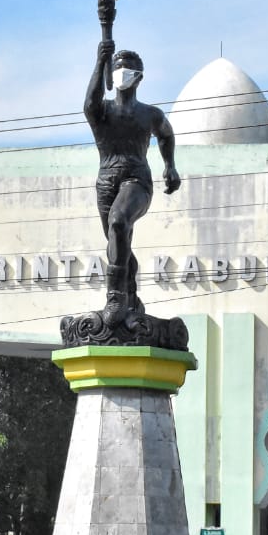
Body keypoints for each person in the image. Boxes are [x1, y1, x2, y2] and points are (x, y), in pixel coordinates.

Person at [84, 38, 180, 325]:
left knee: (118, 222)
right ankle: (131, 295)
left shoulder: (150, 114)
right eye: (117, 67)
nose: (121, 71)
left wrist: (170, 166)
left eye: (127, 68)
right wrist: (100, 60)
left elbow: (166, 134)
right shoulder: (103, 112)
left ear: (139, 77)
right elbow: (89, 103)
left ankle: (116, 297)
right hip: (106, 181)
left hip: (137, 179)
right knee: (116, 242)